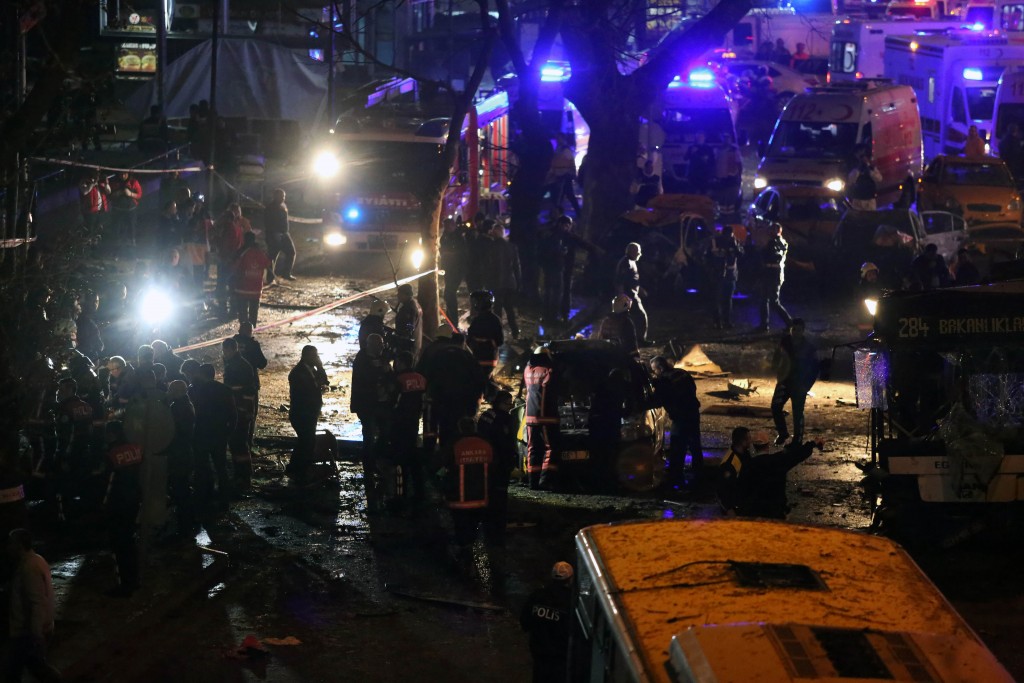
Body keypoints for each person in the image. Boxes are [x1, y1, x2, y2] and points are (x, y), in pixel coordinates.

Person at [717, 426, 817, 518]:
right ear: (768, 445)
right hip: (774, 511)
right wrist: (812, 444)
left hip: (752, 511)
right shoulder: (776, 461)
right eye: (748, 438)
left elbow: (737, 488)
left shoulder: (747, 463)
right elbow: (795, 456)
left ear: (754, 446)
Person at [6, 529, 60, 682]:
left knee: (18, 669)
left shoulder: (28, 568)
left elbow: (37, 602)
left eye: (11, 543)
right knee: (31, 667)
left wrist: (36, 634)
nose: (7, 547)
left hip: (27, 632)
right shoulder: (37, 560)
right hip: (32, 630)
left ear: (19, 545)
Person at [419, 332, 481, 448]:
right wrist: (473, 403)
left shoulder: (438, 354)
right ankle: (452, 454)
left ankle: (437, 454)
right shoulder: (467, 356)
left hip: (439, 398)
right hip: (460, 400)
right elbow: (477, 380)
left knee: (441, 425)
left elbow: (426, 373)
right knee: (454, 428)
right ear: (462, 343)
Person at [650, 356, 703, 492]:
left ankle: (676, 479)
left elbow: (656, 401)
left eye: (654, 370)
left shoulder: (663, 381)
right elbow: (692, 387)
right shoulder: (682, 373)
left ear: (660, 369)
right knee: (695, 445)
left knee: (677, 448)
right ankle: (699, 477)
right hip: (693, 413)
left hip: (680, 418)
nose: (654, 373)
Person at [443, 418, 493, 559]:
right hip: (481, 496)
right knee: (473, 523)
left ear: (460, 428)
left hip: (458, 497)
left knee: (461, 524)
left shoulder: (455, 444)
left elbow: (438, 463)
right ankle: (470, 546)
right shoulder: (485, 444)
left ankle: (464, 551)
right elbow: (495, 466)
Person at [103, 420, 142, 596]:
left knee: (118, 546)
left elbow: (109, 483)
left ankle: (124, 585)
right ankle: (134, 579)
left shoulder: (111, 453)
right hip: (135, 502)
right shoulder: (135, 448)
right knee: (130, 542)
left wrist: (103, 505)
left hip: (117, 504)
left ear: (111, 434)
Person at [520, 561, 573, 683]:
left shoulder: (537, 595)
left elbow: (525, 622)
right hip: (559, 656)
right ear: (570, 579)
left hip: (539, 652)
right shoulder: (570, 601)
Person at [192, 363, 236, 507]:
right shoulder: (225, 390)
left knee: (202, 466)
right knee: (221, 466)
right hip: (220, 434)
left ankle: (204, 496)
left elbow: (195, 414)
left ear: (201, 375)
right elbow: (233, 413)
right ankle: (225, 498)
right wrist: (229, 432)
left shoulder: (197, 390)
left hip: (202, 434)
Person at [770, 319, 819, 446]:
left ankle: (797, 439)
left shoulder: (809, 348)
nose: (795, 332)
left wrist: (806, 386)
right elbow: (777, 357)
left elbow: (814, 369)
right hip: (785, 382)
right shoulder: (785, 342)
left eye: (798, 329)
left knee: (797, 413)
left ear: (803, 330)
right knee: (775, 407)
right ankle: (783, 432)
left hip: (799, 384)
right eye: (794, 329)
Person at [478, 390, 516, 545]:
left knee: (487, 492)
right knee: (499, 495)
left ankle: (486, 521)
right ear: (501, 403)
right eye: (508, 403)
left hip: (485, 460)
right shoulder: (504, 419)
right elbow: (505, 442)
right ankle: (497, 527)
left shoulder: (486, 415)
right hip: (499, 463)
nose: (510, 406)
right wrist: (509, 461)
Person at [288, 345, 329, 486]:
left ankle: (296, 469)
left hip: (310, 413)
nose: (315, 358)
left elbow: (324, 381)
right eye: (313, 356)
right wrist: (318, 387)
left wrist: (321, 367)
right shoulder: (298, 373)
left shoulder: (312, 370)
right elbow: (308, 390)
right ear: (305, 356)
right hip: (301, 413)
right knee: (307, 441)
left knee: (306, 441)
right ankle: (298, 470)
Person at [390, 351, 426, 507]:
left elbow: (391, 400)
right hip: (414, 423)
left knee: (399, 460)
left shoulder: (398, 379)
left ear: (402, 363)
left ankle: (401, 495)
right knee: (413, 456)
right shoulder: (421, 378)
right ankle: (420, 492)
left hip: (399, 423)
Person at [222, 338, 256, 489]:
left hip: (240, 411)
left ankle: (243, 476)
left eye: (224, 350)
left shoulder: (237, 366)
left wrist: (242, 410)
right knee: (238, 444)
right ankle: (242, 474)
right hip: (240, 410)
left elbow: (247, 391)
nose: (224, 354)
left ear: (230, 349)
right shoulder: (238, 364)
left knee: (239, 444)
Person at [524, 347, 560, 490]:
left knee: (533, 448)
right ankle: (546, 480)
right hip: (547, 416)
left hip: (530, 416)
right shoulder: (548, 371)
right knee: (550, 448)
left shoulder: (528, 370)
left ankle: (533, 482)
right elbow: (558, 383)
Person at [166, 379, 196, 537]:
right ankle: (188, 521)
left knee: (180, 489)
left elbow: (174, 430)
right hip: (184, 452)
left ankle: (184, 526)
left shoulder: (178, 408)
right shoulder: (186, 404)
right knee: (182, 488)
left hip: (179, 454)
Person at [232, 321, 268, 448]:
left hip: (232, 384)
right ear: (250, 331)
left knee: (234, 412)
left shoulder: (231, 343)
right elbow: (262, 363)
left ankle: (234, 441)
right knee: (250, 413)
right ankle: (247, 442)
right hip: (250, 383)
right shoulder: (253, 345)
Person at [485, 222, 521, 339]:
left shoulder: (491, 247)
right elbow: (516, 267)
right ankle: (515, 332)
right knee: (509, 308)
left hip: (497, 282)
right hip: (510, 282)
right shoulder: (511, 247)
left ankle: (497, 333)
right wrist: (518, 282)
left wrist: (488, 282)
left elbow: (489, 266)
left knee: (497, 308)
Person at [230, 232, 274, 325]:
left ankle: (244, 331)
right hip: (256, 290)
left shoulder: (241, 252)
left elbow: (234, 268)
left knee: (242, 313)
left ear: (244, 240)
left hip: (242, 289)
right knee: (253, 313)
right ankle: (251, 329)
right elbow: (268, 264)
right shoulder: (260, 252)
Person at [467, 291, 504, 398]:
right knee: (485, 380)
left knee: (480, 384)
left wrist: (481, 340)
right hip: (486, 358)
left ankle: (496, 399)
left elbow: (499, 341)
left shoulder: (482, 320)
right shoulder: (493, 319)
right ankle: (496, 398)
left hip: (484, 358)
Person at [706, 226, 743, 329]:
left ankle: (725, 321)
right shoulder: (715, 242)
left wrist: (735, 246)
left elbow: (741, 254)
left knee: (726, 299)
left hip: (730, 274)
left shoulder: (734, 242)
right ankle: (719, 322)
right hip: (719, 274)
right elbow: (708, 257)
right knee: (718, 299)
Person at [759, 222, 793, 333]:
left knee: (773, 300)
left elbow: (769, 255)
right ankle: (764, 325)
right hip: (771, 271)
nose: (769, 231)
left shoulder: (777, 242)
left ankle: (790, 323)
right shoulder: (779, 242)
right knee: (764, 299)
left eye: (772, 229)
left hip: (774, 272)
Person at [614, 242, 649, 344]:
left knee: (631, 319)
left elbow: (632, 279)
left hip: (632, 295)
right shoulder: (626, 263)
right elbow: (619, 280)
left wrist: (640, 289)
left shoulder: (630, 262)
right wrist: (622, 296)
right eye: (638, 251)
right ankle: (639, 340)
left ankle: (633, 340)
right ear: (632, 251)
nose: (640, 254)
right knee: (640, 317)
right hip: (628, 296)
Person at [264, 188, 296, 282]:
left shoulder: (283, 205)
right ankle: (270, 278)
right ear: (275, 196)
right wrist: (275, 235)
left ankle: (286, 274)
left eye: (284, 196)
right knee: (272, 256)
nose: (283, 198)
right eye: (281, 196)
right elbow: (268, 223)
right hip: (274, 235)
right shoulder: (270, 208)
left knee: (291, 252)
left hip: (284, 233)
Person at [546, 134, 580, 216]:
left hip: (564, 175)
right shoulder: (560, 148)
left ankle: (556, 214)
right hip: (561, 174)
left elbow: (569, 162)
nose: (557, 140)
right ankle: (557, 213)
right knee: (563, 195)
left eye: (559, 138)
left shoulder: (564, 149)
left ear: (562, 139)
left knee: (561, 195)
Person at [440, 217, 467, 319]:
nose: (446, 228)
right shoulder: (445, 236)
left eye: (448, 226)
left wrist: (449, 254)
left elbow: (462, 253)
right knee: (448, 293)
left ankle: (453, 318)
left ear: (453, 226)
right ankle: (450, 316)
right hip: (448, 269)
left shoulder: (458, 237)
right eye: (445, 226)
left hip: (456, 269)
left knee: (449, 293)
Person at [109, 170, 143, 247]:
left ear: (128, 174)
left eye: (125, 174)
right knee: (117, 231)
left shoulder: (133, 182)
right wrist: (117, 194)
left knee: (131, 231)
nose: (123, 176)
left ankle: (132, 252)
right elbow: (109, 196)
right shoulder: (114, 183)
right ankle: (116, 252)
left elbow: (139, 194)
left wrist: (130, 194)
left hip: (131, 211)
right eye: (121, 174)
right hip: (118, 211)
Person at [847, 146, 883, 211]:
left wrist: (869, 170)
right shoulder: (854, 167)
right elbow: (850, 181)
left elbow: (879, 179)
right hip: (857, 200)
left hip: (869, 200)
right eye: (860, 156)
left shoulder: (871, 167)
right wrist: (859, 170)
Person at [394, 284, 423, 361]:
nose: (397, 296)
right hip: (414, 344)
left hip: (407, 347)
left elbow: (410, 325)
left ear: (406, 294)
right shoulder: (416, 305)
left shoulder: (409, 309)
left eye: (399, 294)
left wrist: (402, 337)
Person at [79, 170, 110, 234]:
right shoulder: (85, 181)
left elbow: (109, 191)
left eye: (99, 172)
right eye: (96, 172)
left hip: (100, 211)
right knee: (90, 230)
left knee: (99, 229)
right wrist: (93, 183)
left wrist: (106, 183)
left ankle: (98, 242)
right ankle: (89, 242)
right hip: (90, 211)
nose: (98, 174)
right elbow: (84, 192)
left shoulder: (101, 182)